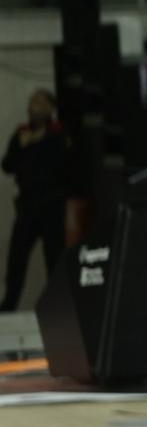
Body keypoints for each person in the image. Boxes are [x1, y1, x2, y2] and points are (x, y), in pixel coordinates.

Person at [2, 90, 67, 313]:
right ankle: (9, 304)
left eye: (39, 102)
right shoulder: (22, 134)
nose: (33, 106)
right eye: (31, 101)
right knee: (16, 258)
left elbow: (66, 167)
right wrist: (24, 145)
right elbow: (8, 165)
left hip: (51, 204)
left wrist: (42, 141)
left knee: (55, 258)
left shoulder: (58, 134)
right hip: (27, 205)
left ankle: (59, 305)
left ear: (50, 108)